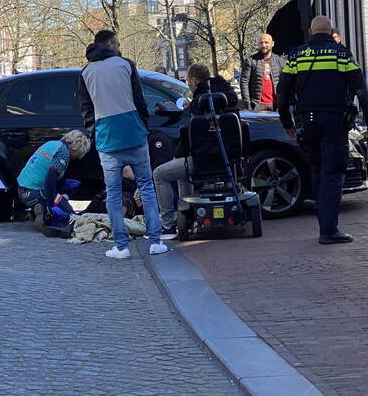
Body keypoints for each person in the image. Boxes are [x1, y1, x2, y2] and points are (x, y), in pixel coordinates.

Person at [277, 16, 368, 244]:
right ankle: (329, 230)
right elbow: (362, 93)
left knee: (317, 170)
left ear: (310, 33)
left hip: (307, 123)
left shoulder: (296, 56)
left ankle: (323, 220)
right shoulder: (341, 54)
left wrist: (287, 123)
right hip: (335, 122)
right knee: (333, 173)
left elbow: (281, 94)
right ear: (331, 32)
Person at [77, 30, 167, 259]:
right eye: (117, 44)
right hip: (134, 133)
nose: (119, 47)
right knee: (146, 187)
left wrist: (94, 132)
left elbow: (86, 108)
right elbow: (139, 99)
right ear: (110, 44)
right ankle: (156, 241)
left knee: (113, 192)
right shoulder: (126, 64)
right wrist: (142, 124)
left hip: (107, 138)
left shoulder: (86, 71)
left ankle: (121, 246)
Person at [153, 63, 239, 238]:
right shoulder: (228, 100)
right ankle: (187, 212)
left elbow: (188, 143)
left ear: (193, 80)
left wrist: (178, 154)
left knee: (159, 174)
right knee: (182, 175)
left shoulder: (197, 108)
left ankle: (168, 224)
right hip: (229, 161)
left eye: (187, 81)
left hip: (202, 161)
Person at [16, 130, 90, 237]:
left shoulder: (52, 144)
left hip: (23, 191)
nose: (78, 157)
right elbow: (50, 178)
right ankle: (49, 217)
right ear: (77, 147)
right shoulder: (63, 152)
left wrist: (64, 183)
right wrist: (53, 202)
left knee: (65, 191)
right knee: (70, 217)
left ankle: (39, 210)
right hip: (36, 192)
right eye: (80, 153)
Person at [240, 33, 285, 111]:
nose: (263, 45)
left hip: (276, 106)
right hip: (257, 105)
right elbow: (244, 82)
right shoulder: (250, 61)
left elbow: (286, 82)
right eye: (261, 43)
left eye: (266, 42)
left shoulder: (280, 61)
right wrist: (248, 105)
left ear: (272, 44)